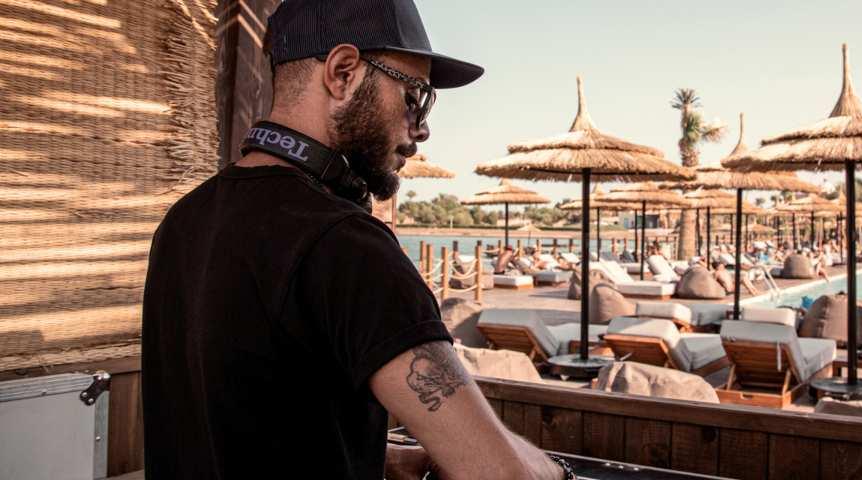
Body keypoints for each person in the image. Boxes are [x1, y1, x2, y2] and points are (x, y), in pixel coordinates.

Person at [141, 1, 566, 479]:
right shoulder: (348, 245)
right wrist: (558, 473)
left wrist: (374, 459)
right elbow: (501, 474)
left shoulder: (183, 222)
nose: (422, 128)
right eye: (415, 96)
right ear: (342, 73)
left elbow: (233, 425)